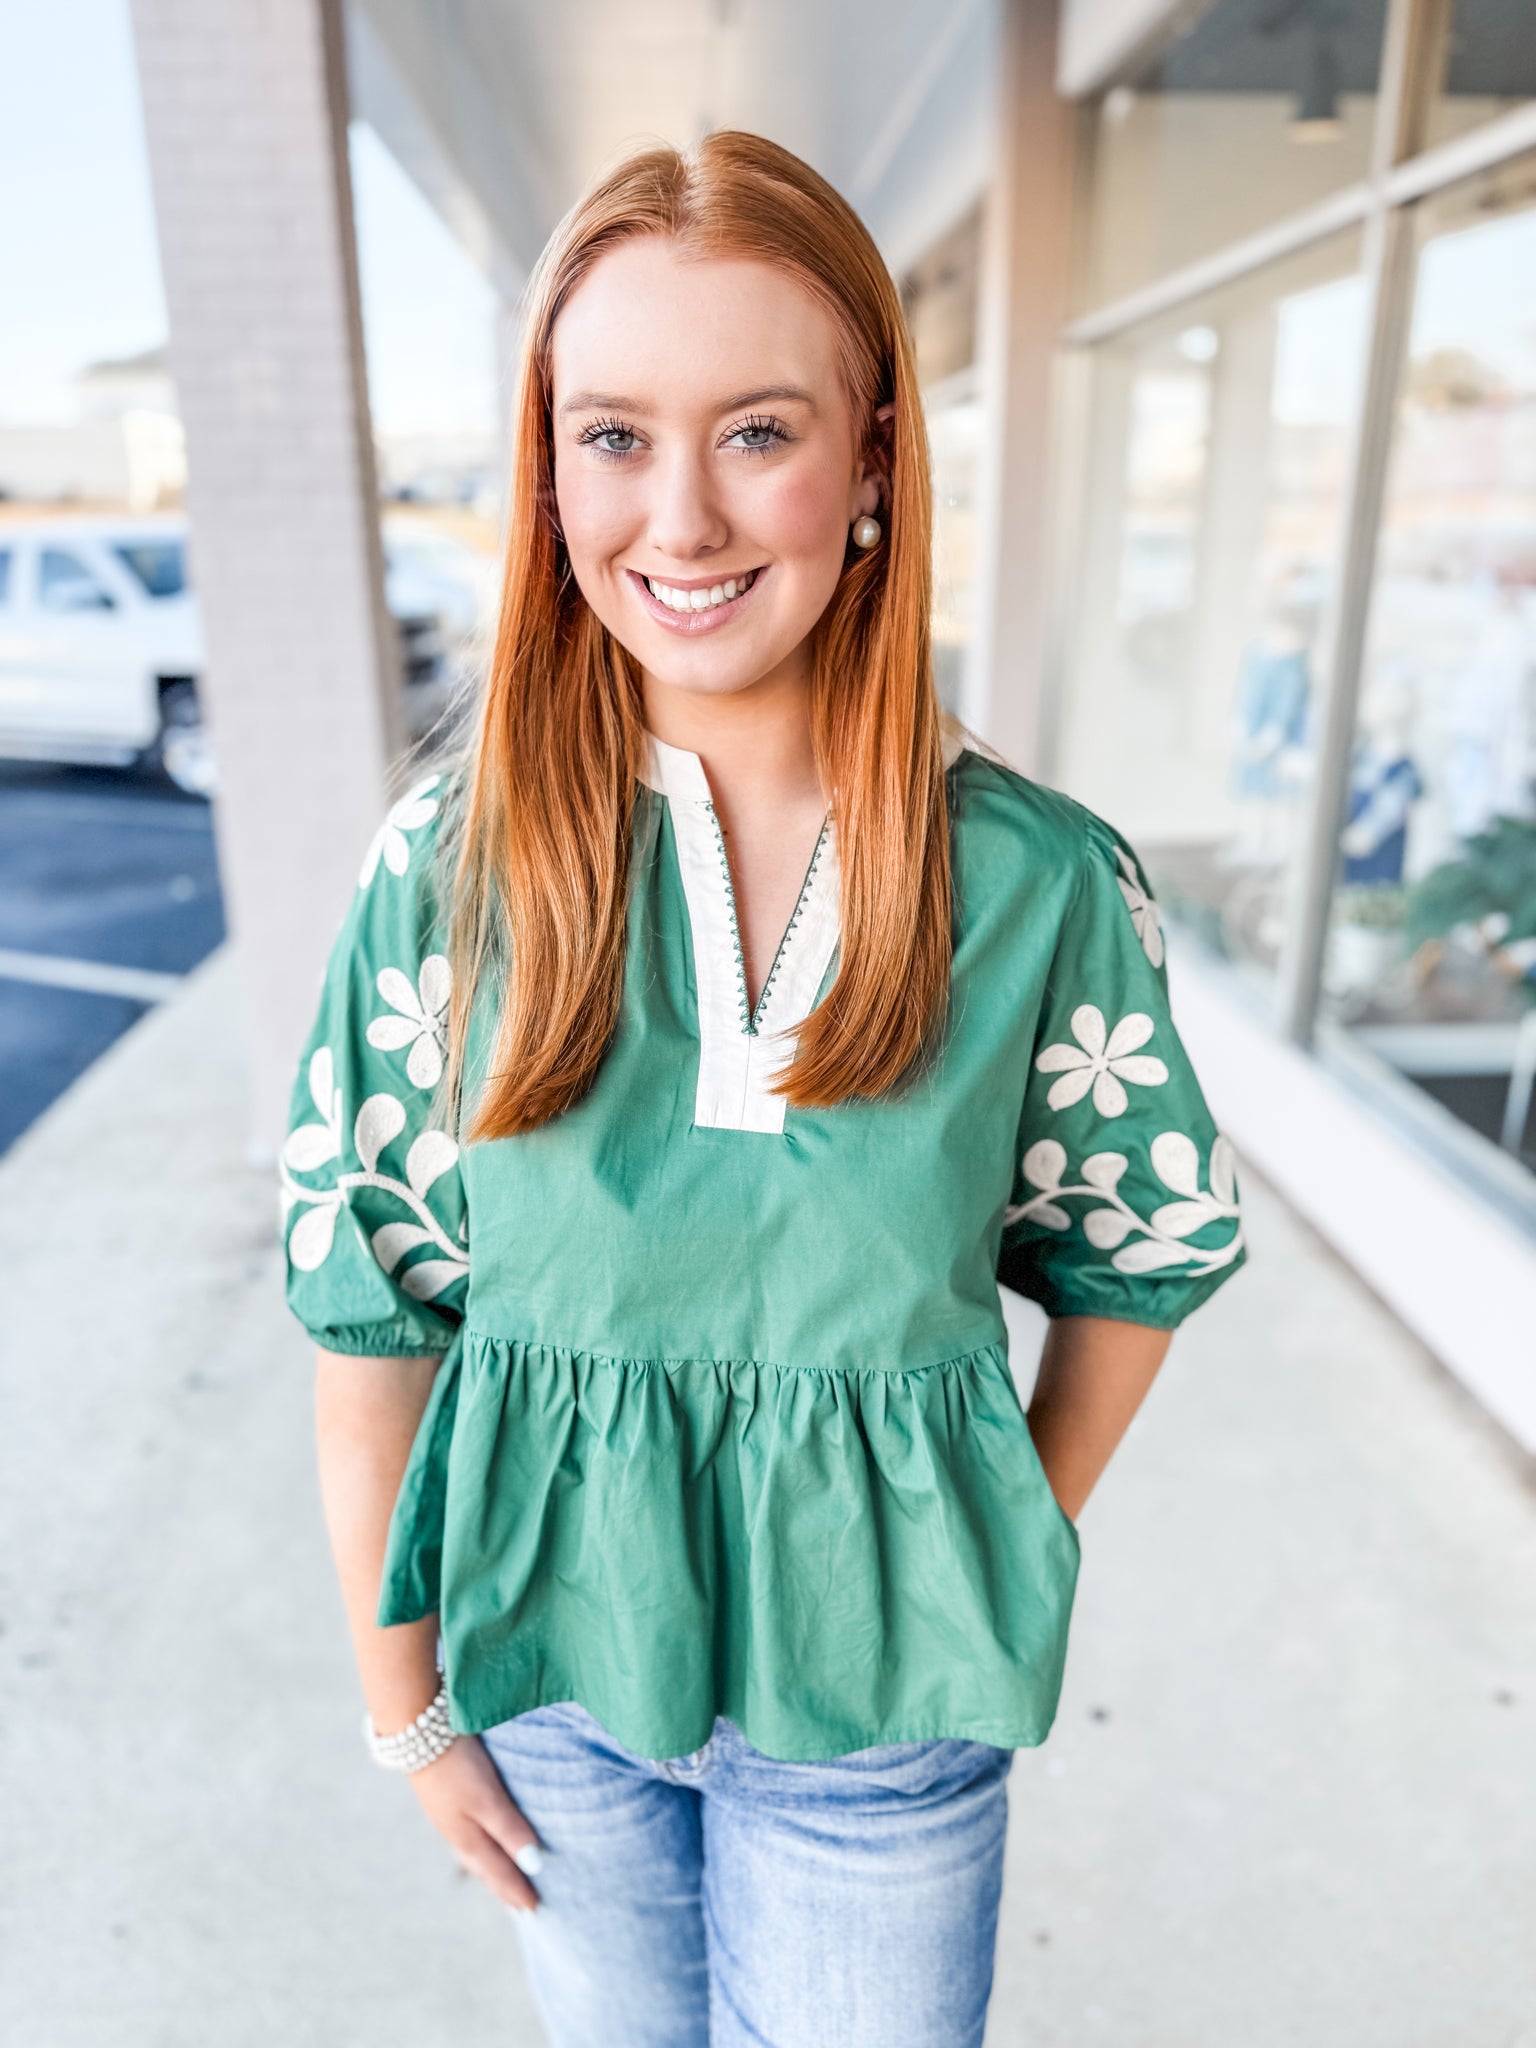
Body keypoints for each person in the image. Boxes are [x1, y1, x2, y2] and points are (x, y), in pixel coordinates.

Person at [280, 130, 1247, 2048]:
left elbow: (1137, 1253)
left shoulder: (1036, 880)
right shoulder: (449, 872)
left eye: (759, 430)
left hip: (879, 1730)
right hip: (548, 1684)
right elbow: (371, 1310)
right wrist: (409, 1708)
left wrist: (990, 1538)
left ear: (875, 454)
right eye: (616, 434)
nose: (685, 521)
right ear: (550, 470)